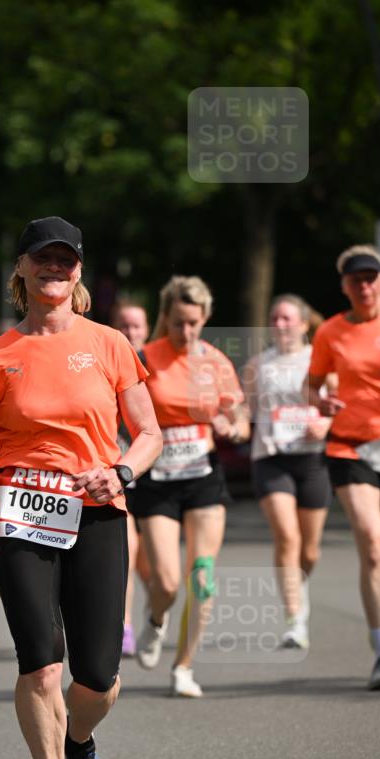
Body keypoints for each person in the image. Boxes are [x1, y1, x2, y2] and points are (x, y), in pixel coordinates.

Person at [0, 216, 162, 759]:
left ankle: (79, 740)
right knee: (41, 665)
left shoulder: (109, 343)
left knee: (98, 676)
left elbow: (150, 433)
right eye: (43, 258)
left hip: (97, 511)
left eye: (66, 261)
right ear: (21, 268)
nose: (55, 269)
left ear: (79, 272)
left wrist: (120, 470)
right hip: (18, 515)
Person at [130, 275, 249, 697]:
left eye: (195, 323)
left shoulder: (215, 362)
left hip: (202, 476)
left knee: (203, 576)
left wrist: (232, 428)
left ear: (205, 319)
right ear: (166, 317)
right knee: (165, 581)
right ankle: (156, 619)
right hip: (158, 480)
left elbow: (241, 420)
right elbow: (124, 417)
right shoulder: (145, 358)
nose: (188, 332)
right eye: (180, 322)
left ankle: (184, 666)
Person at [307, 246, 380, 690]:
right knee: (373, 545)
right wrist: (320, 400)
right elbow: (313, 384)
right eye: (356, 279)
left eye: (372, 277)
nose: (365, 286)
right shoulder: (331, 332)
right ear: (344, 285)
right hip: (351, 447)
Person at [242, 295, 332, 648]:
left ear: (304, 324)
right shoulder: (258, 365)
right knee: (287, 536)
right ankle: (295, 620)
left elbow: (339, 405)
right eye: (274, 318)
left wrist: (326, 423)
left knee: (310, 551)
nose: (279, 325)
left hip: (311, 459)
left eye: (286, 319)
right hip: (270, 457)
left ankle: (300, 585)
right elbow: (243, 411)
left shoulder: (321, 361)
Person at [110, 300, 153, 656]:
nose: (130, 333)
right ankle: (124, 625)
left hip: (154, 477)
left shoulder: (159, 365)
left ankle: (158, 610)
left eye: (136, 327)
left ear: (147, 330)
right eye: (124, 326)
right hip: (115, 473)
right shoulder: (104, 357)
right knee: (128, 547)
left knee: (151, 567)